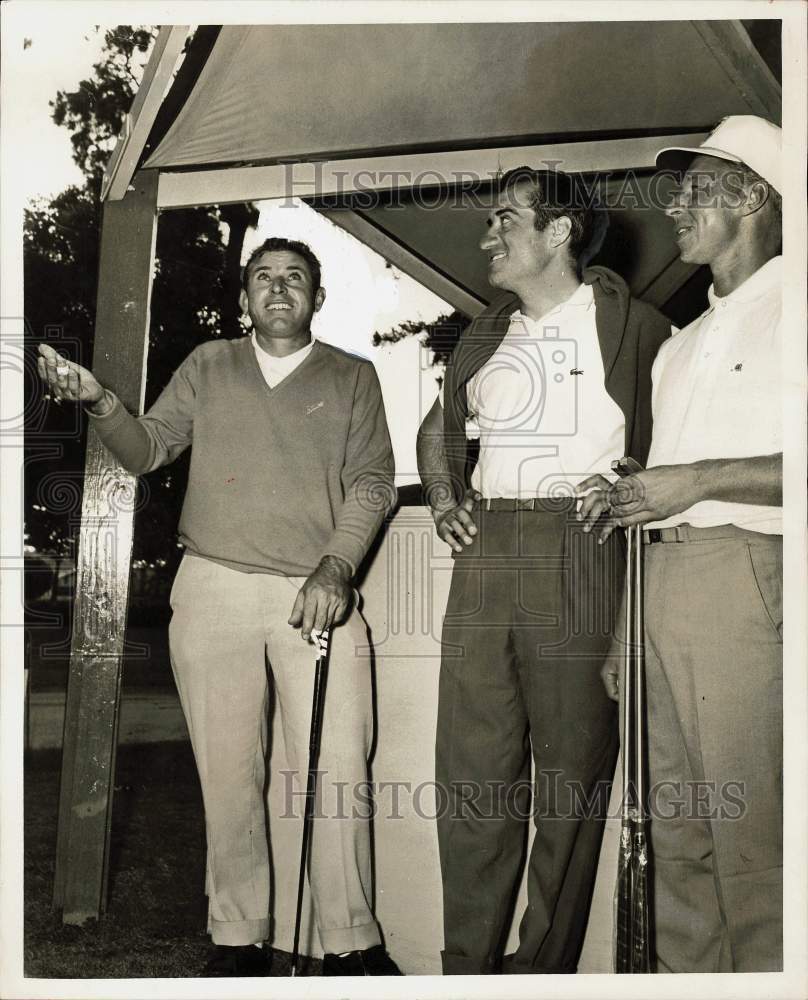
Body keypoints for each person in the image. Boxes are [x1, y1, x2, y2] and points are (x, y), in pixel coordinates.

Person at [37, 237, 402, 978]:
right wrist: (99, 399)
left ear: (317, 300)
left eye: (295, 278)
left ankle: (352, 945)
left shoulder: (354, 377)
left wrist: (337, 566)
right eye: (263, 277)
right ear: (243, 300)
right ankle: (238, 938)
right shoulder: (210, 364)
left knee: (338, 770)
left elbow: (373, 483)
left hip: (316, 593)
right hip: (214, 586)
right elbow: (146, 450)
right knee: (230, 772)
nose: (278, 288)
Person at [416, 167, 672, 974]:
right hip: (486, 551)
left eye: (505, 220)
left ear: (558, 232)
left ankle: (539, 978)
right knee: (471, 776)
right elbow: (438, 425)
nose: (488, 236)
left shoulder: (637, 328)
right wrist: (444, 493)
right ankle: (467, 971)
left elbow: (679, 436)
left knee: (570, 781)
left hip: (580, 549)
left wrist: (625, 474)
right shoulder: (487, 332)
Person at [578, 115, 784, 973]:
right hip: (660, 586)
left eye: (696, 188)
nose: (674, 206)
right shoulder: (680, 342)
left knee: (756, 847)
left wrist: (695, 481)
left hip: (748, 579)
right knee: (674, 843)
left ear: (753, 199)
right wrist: (631, 627)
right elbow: (664, 490)